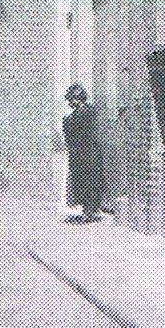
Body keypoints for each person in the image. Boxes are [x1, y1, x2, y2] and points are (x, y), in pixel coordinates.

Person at [63, 83, 105, 224]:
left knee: (89, 181)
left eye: (72, 99)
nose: (70, 103)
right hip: (82, 153)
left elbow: (74, 133)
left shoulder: (84, 113)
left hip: (87, 153)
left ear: (78, 98)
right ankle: (88, 210)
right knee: (83, 181)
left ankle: (90, 211)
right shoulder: (81, 113)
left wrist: (69, 121)